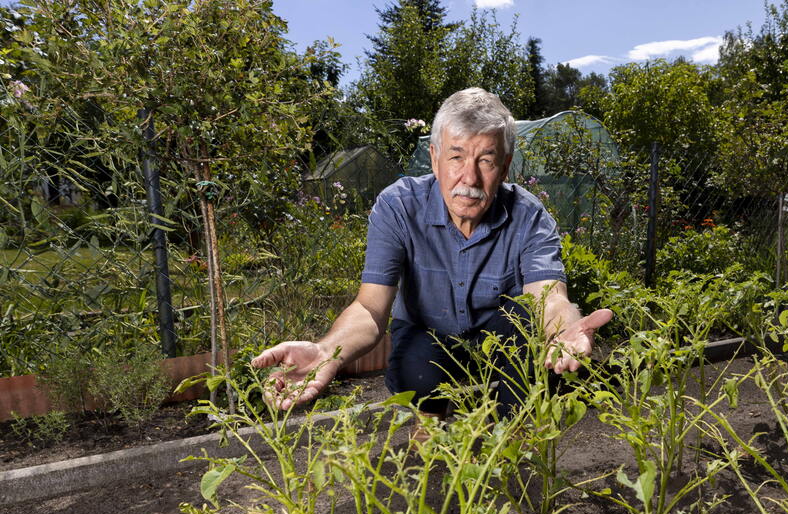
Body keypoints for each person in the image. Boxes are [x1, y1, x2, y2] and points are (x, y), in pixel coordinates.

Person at [252, 87, 612, 416]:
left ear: (504, 167)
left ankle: (511, 440)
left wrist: (563, 328)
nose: (468, 179)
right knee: (415, 374)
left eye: (485, 160)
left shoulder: (528, 214)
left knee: (533, 363)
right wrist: (324, 352)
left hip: (500, 337)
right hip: (429, 332)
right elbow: (370, 308)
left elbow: (548, 298)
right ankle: (430, 431)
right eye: (456, 157)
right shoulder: (399, 206)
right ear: (434, 157)